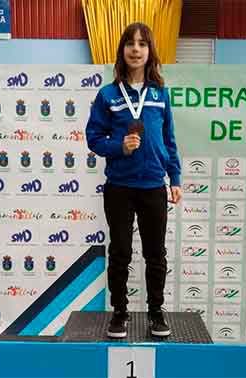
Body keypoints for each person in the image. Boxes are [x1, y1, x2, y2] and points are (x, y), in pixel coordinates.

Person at [86, 22, 182, 338]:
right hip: (120, 188)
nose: (136, 49)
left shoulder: (159, 94)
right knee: (121, 252)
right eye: (130, 43)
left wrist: (175, 177)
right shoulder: (108, 95)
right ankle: (120, 313)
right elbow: (94, 138)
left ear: (150, 51)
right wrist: (119, 147)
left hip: (154, 185)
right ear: (122, 51)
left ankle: (156, 312)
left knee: (156, 253)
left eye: (142, 44)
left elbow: (169, 139)